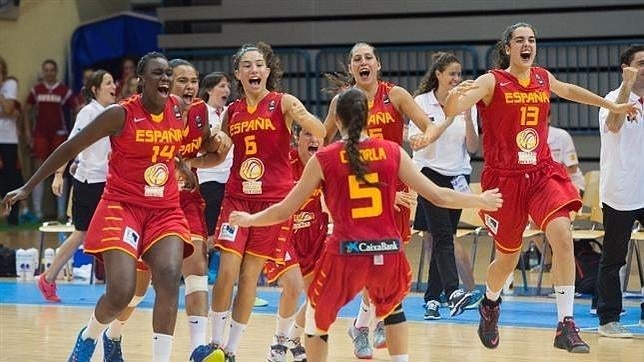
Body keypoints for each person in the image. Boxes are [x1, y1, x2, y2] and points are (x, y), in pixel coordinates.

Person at [224, 88, 502, 362]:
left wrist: (250, 219)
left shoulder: (325, 158)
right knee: (394, 313)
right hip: (387, 250)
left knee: (315, 323)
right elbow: (438, 195)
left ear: (338, 120)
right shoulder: (392, 151)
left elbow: (285, 208)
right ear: (368, 116)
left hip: (345, 254)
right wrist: (480, 200)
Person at [443, 23, 637, 353]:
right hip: (505, 180)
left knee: (561, 233)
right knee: (506, 259)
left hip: (542, 172)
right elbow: (458, 106)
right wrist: (453, 102)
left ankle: (565, 324)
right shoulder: (492, 80)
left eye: (531, 40)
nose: (527, 44)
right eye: (520, 40)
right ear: (508, 48)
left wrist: (612, 106)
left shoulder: (542, 78)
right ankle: (490, 303)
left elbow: (571, 90)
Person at [2, 52, 197, 362]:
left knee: (170, 277)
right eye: (157, 74)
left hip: (164, 208)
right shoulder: (119, 114)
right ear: (140, 83)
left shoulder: (179, 110)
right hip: (123, 206)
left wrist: (184, 165)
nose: (165, 79)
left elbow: (170, 149)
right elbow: (70, 147)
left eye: (167, 75)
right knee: (121, 291)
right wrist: (28, 186)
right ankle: (90, 335)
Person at [189, 42, 326, 362]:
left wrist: (305, 119)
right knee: (227, 271)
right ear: (238, 73)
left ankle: (231, 350)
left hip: (272, 203)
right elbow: (217, 157)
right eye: (247, 65)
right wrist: (190, 162)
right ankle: (215, 344)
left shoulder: (283, 102)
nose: (254, 69)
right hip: (237, 200)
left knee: (250, 275)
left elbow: (319, 131)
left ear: (267, 71)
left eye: (259, 65)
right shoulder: (233, 112)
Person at [322, 42, 456, 358]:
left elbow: (429, 127)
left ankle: (363, 323)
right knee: (374, 265)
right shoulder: (343, 102)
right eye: (357, 59)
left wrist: (425, 137)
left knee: (386, 266)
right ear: (351, 67)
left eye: (368, 57)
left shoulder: (395, 95)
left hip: (397, 193)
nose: (363, 62)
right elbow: (322, 139)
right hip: (360, 194)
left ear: (378, 64)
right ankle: (372, 320)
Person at [408, 52, 481, 320]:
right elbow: (418, 140)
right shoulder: (421, 102)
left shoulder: (467, 104)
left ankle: (432, 300)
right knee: (441, 236)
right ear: (438, 74)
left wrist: (469, 116)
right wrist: (449, 115)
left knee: (438, 238)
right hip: (429, 174)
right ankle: (452, 291)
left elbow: (473, 147)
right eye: (451, 73)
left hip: (457, 177)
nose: (456, 79)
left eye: (459, 74)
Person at [37, 70, 116, 302]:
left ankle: (117, 286)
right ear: (95, 89)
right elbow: (71, 146)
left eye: (114, 82)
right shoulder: (88, 113)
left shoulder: (112, 113)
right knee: (81, 234)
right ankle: (48, 278)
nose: (114, 86)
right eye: (108, 83)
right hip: (89, 183)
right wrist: (59, 174)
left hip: (108, 182)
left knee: (111, 233)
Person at [261, 127, 326, 362]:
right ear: (297, 138)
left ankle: (294, 338)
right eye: (308, 134)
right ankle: (278, 342)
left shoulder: (325, 163)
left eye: (318, 135)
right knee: (293, 285)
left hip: (313, 234)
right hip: (283, 232)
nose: (314, 139)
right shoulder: (282, 161)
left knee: (319, 298)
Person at [595, 44, 644, 338]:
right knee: (614, 258)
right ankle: (608, 320)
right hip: (620, 191)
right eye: (641, 63)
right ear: (626, 68)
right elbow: (614, 125)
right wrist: (626, 87)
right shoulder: (612, 99)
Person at [24, 59, 75, 220]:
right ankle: (38, 212)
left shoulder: (64, 91)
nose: (49, 73)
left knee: (61, 170)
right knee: (39, 170)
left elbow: (75, 109)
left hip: (59, 134)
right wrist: (27, 131)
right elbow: (26, 110)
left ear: (56, 71)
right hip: (40, 134)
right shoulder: (36, 90)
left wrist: (74, 134)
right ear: (43, 71)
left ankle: (61, 213)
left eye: (52, 70)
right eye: (46, 70)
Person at [196, 72, 232, 239]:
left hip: (231, 177)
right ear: (209, 90)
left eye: (229, 87)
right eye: (222, 86)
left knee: (228, 229)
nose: (227, 90)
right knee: (209, 230)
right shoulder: (200, 111)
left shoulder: (231, 112)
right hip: (208, 177)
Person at [0, 56, 22, 225]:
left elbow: (9, 109)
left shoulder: (10, 85)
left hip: (8, 139)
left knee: (11, 178)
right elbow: (8, 113)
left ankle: (12, 216)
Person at [547, 111, 585, 194]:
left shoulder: (562, 135)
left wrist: (547, 176)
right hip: (544, 185)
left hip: (572, 183)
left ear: (549, 118)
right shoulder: (527, 138)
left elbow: (572, 168)